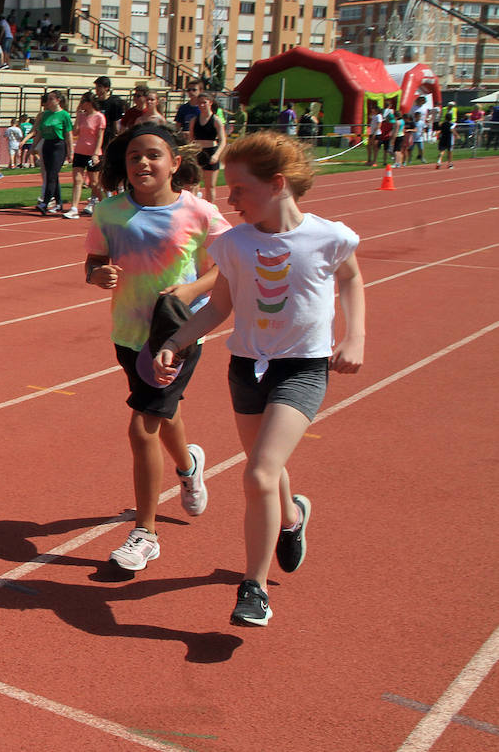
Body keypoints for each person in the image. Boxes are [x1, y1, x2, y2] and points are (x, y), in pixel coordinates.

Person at [152, 131, 365, 626]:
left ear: (277, 184)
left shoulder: (329, 237)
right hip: (246, 367)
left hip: (302, 369)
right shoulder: (234, 245)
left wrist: (354, 338)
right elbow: (220, 307)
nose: (230, 199)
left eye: (240, 189)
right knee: (264, 468)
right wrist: (174, 341)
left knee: (258, 474)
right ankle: (292, 518)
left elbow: (351, 278)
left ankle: (254, 587)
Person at [84, 124, 228, 572]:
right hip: (128, 334)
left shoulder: (200, 212)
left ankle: (144, 533)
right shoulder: (109, 212)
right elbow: (93, 260)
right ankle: (188, 466)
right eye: (132, 157)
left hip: (176, 338)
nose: (142, 164)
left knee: (142, 426)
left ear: (174, 163)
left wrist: (189, 292)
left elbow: (226, 268)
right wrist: (97, 274)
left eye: (152, 155)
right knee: (164, 411)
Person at [30, 91, 73, 215]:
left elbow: (68, 134)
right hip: (47, 145)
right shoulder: (45, 115)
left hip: (58, 145)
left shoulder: (64, 115)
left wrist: (70, 151)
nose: (47, 102)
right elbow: (40, 132)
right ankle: (59, 203)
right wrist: (33, 146)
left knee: (52, 175)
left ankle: (45, 202)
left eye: (50, 99)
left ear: (58, 100)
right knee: (52, 174)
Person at [63, 92, 105, 218]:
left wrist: (96, 153)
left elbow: (99, 136)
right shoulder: (81, 116)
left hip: (92, 153)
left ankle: (104, 205)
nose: (80, 104)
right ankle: (74, 208)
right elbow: (75, 131)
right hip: (80, 151)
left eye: (82, 102)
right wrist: (77, 116)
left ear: (89, 103)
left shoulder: (99, 117)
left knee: (94, 182)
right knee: (77, 180)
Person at [187, 93, 227, 204]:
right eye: (199, 103)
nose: (202, 105)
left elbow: (223, 140)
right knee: (194, 183)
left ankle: (211, 209)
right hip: (198, 152)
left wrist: (216, 155)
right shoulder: (194, 120)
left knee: (210, 185)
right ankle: (194, 206)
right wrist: (190, 153)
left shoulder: (216, 120)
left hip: (211, 152)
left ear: (210, 103)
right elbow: (191, 139)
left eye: (204, 102)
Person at [94, 76, 126, 153]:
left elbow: (116, 120)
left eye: (100, 86)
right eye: (96, 86)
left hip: (107, 134)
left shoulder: (113, 102)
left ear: (106, 88)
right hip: (95, 133)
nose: (97, 89)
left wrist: (116, 135)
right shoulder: (94, 102)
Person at [436, 103, 454, 169]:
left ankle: (439, 161)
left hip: (442, 138)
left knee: (442, 151)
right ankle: (450, 164)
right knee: (449, 152)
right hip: (448, 139)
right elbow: (452, 130)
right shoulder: (451, 124)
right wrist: (457, 135)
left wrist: (436, 134)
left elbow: (440, 130)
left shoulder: (442, 124)